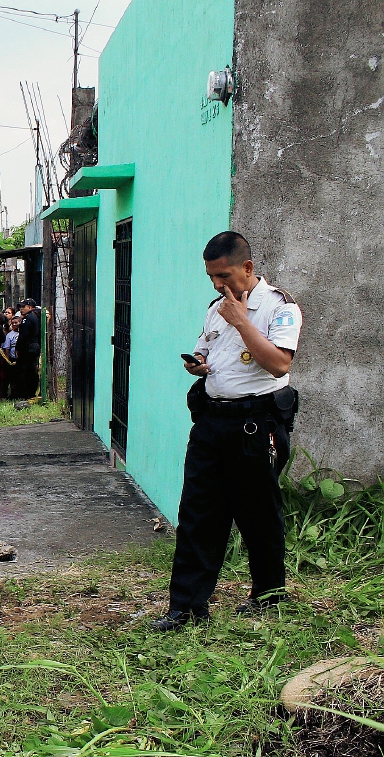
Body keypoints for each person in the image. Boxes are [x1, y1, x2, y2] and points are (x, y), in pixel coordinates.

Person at [153, 232, 303, 632]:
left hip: (256, 423)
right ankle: (187, 608)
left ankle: (268, 595)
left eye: (224, 276)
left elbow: (279, 364)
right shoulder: (215, 308)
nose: (218, 285)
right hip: (211, 422)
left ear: (247, 268)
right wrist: (198, 363)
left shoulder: (279, 307)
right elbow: (206, 348)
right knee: (197, 513)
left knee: (258, 513)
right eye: (211, 277)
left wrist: (241, 321)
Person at [14, 298, 41, 399]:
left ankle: (27, 393)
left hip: (28, 348)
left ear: (30, 307)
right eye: (20, 307)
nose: (21, 309)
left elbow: (23, 335)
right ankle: (29, 392)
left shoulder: (28, 318)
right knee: (30, 371)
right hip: (33, 346)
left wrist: (18, 348)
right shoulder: (34, 316)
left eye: (23, 307)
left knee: (26, 371)